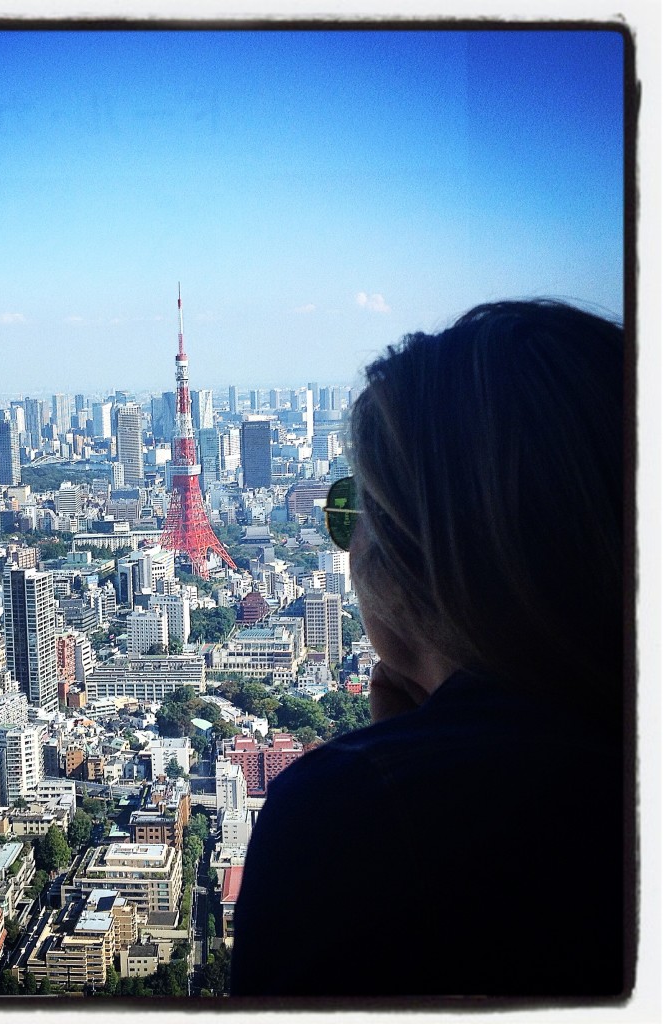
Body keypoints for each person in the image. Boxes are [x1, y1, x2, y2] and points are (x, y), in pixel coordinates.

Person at [229, 300, 629, 1000]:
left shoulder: (336, 828)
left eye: (354, 510)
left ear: (422, 553)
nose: (347, 543)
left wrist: (388, 785)